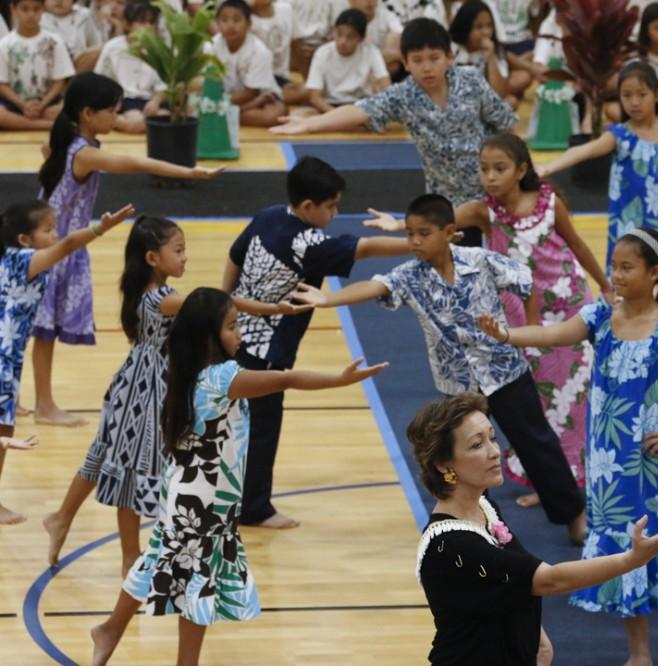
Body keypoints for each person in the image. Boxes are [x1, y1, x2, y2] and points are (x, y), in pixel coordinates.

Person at [478, 228, 658, 666]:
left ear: (654, 273)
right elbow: (554, 334)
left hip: (654, 463)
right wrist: (507, 335)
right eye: (613, 266)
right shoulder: (601, 316)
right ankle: (640, 653)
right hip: (607, 463)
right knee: (624, 551)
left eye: (626, 267)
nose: (615, 275)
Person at [89, 288, 388, 666]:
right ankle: (169, 656)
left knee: (163, 562)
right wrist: (339, 379)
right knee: (195, 579)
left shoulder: (187, 368)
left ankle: (110, 630)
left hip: (190, 490)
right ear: (207, 337)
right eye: (232, 327)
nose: (240, 334)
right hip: (202, 500)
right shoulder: (222, 378)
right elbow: (286, 379)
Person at [294, 193, 589, 544]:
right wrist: (329, 299)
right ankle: (481, 526)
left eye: (424, 233)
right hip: (457, 385)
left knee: (536, 443)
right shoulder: (409, 276)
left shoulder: (480, 260)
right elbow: (375, 286)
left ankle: (573, 514)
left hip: (504, 371)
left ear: (449, 232)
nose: (415, 242)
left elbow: (524, 281)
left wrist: (531, 326)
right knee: (467, 457)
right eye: (410, 234)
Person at [43, 216, 315, 573]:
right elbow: (218, 304)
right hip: (143, 391)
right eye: (179, 250)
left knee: (106, 453)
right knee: (130, 470)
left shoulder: (150, 292)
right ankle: (128, 557)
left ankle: (62, 518)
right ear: (152, 257)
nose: (185, 257)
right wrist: (274, 309)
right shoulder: (161, 299)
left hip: (138, 383)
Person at [368, 132, 612, 505]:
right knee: (539, 400)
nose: (490, 177)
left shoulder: (549, 203)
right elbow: (435, 225)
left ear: (521, 170)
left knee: (571, 396)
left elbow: (576, 244)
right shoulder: (483, 211)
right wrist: (399, 225)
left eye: (500, 168)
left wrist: (605, 284)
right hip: (518, 317)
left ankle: (572, 476)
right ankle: (545, 482)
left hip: (567, 303)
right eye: (484, 169)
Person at [409, 392, 658, 665]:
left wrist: (537, 638)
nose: (495, 452)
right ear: (443, 464)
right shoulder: (451, 546)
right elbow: (548, 580)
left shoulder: (484, 507)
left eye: (492, 438)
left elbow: (513, 577)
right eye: (476, 445)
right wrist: (630, 560)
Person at [223, 156, 410, 529]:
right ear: (308, 206)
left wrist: (222, 307)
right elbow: (366, 248)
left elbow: (234, 257)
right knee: (262, 428)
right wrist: (417, 245)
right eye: (331, 206)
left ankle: (226, 492)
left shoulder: (268, 215)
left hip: (233, 336)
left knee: (234, 421)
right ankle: (255, 508)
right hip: (267, 351)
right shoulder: (309, 243)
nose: (335, 214)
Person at [32, 73, 219, 428]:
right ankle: (43, 405)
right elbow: (138, 164)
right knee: (44, 330)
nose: (115, 117)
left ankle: (24, 398)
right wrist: (189, 172)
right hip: (58, 249)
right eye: (111, 110)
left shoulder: (67, 143)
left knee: (38, 327)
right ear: (88, 113)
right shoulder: (84, 152)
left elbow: (48, 158)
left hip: (57, 246)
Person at [271, 18, 517, 224]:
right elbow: (359, 111)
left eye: (434, 58)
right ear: (405, 63)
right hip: (447, 203)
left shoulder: (471, 80)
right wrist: (311, 124)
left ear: (449, 56)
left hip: (494, 193)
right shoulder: (403, 95)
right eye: (417, 60)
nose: (427, 67)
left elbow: (505, 124)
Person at [0, 199, 133, 525]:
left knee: (5, 428)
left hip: (9, 356)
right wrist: (100, 228)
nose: (55, 235)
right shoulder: (25, 259)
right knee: (3, 429)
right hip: (3, 357)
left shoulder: (10, 257)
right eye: (48, 230)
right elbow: (71, 243)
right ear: (24, 239)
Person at [538, 61, 658, 265]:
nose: (634, 102)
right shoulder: (620, 135)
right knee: (630, 273)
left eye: (642, 94)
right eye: (626, 95)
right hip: (628, 224)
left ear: (657, 95)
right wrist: (548, 167)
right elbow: (584, 151)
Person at [94, 0, 167, 134]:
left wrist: (156, 102)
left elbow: (165, 85)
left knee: (166, 118)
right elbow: (101, 80)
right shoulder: (113, 47)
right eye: (142, 22)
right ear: (127, 24)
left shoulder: (159, 49)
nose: (148, 27)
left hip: (150, 100)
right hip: (124, 100)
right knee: (137, 123)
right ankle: (108, 119)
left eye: (151, 23)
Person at [0, 0, 74, 130]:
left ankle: (22, 123)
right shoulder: (4, 45)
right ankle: (47, 125)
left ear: (43, 9)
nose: (31, 15)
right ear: (13, 9)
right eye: (25, 9)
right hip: (14, 105)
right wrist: (23, 105)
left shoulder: (55, 41)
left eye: (36, 9)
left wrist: (42, 104)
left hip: (48, 104)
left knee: (72, 106)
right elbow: (2, 84)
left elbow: (60, 81)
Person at [301, 8, 390, 114]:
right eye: (339, 34)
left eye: (350, 37)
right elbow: (314, 97)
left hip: (360, 105)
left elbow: (386, 85)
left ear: (361, 39)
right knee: (303, 113)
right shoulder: (323, 53)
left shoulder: (371, 52)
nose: (343, 41)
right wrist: (337, 115)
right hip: (329, 105)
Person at [213, 0, 287, 127]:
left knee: (274, 115)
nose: (230, 25)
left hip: (260, 98)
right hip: (228, 98)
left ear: (249, 24)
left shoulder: (260, 51)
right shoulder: (211, 46)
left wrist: (217, 105)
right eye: (224, 20)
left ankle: (220, 114)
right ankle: (226, 113)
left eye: (237, 20)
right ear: (217, 24)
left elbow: (251, 93)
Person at [250, 0, 308, 106]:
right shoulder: (244, 15)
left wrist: (309, 81)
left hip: (280, 79)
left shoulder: (286, 10)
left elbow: (298, 50)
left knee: (307, 91)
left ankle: (270, 99)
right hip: (253, 81)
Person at [41, 0, 103, 71]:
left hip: (81, 69)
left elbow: (96, 45)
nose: (59, 1)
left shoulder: (84, 16)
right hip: (50, 68)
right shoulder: (38, 18)